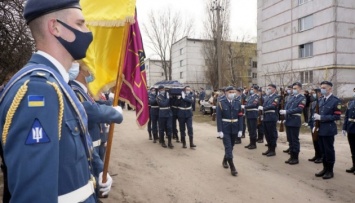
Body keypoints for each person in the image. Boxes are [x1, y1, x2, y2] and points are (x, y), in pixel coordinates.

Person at [0, 0, 112, 202]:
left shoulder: (58, 85)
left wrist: (95, 173)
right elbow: (34, 196)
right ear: (55, 27)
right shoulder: (38, 89)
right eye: (80, 24)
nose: (87, 32)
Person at [69, 62, 123, 157]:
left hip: (94, 148)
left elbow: (96, 104)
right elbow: (91, 110)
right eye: (89, 69)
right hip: (88, 152)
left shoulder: (82, 92)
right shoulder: (74, 91)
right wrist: (114, 112)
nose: (92, 72)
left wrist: (110, 104)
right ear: (81, 71)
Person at [314, 81, 342, 179]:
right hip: (320, 129)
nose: (322, 89)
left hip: (328, 129)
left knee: (328, 150)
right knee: (322, 150)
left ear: (330, 89)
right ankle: (325, 168)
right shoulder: (321, 99)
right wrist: (315, 123)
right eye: (321, 87)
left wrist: (321, 117)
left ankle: (330, 170)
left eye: (324, 87)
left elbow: (337, 116)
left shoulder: (336, 100)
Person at [217, 86, 243, 176]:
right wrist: (219, 130)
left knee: (231, 146)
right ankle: (232, 167)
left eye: (233, 92)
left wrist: (240, 129)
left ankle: (225, 160)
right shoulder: (221, 103)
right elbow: (219, 118)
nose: (232, 93)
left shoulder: (237, 103)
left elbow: (240, 116)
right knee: (228, 147)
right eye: (230, 92)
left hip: (235, 128)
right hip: (225, 128)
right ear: (226, 93)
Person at [280, 82, 306, 165]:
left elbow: (299, 109)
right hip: (288, 120)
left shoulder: (302, 98)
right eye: (293, 88)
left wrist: (287, 111)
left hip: (295, 120)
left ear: (300, 89)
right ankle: (291, 156)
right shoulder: (291, 97)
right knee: (290, 140)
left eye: (295, 88)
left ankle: (295, 157)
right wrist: (285, 116)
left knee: (294, 140)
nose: (294, 90)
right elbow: (287, 106)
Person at [259, 84, 280, 157]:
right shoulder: (267, 97)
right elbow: (264, 105)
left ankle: (273, 150)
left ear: (274, 89)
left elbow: (273, 105)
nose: (268, 89)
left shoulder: (276, 97)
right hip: (265, 117)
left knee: (272, 134)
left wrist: (263, 108)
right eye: (268, 88)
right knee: (267, 134)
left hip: (271, 117)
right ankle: (269, 148)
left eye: (269, 88)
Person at [308, 89, 323, 163]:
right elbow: (310, 113)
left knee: (319, 141)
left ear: (319, 93)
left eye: (314, 93)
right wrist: (309, 122)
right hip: (312, 124)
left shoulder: (322, 102)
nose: (313, 94)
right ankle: (316, 155)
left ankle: (321, 156)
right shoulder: (313, 103)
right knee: (314, 140)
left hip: (318, 124)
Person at [343, 88, 355, 175]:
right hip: (351, 128)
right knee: (353, 148)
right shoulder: (351, 103)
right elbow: (347, 116)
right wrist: (344, 127)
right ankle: (354, 165)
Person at [244, 85, 260, 149]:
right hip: (248, 114)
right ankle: (251, 142)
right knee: (250, 129)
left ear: (256, 90)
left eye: (252, 89)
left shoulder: (257, 97)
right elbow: (246, 103)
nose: (251, 90)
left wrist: (245, 107)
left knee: (253, 130)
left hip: (253, 114)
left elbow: (254, 104)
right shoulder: (250, 97)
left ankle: (254, 144)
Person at [283, 85, 293, 154]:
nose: (288, 90)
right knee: (288, 135)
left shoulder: (294, 97)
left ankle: (292, 149)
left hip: (292, 117)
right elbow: (286, 105)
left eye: (290, 89)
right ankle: (290, 147)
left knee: (293, 136)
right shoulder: (287, 97)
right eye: (288, 89)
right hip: (287, 116)